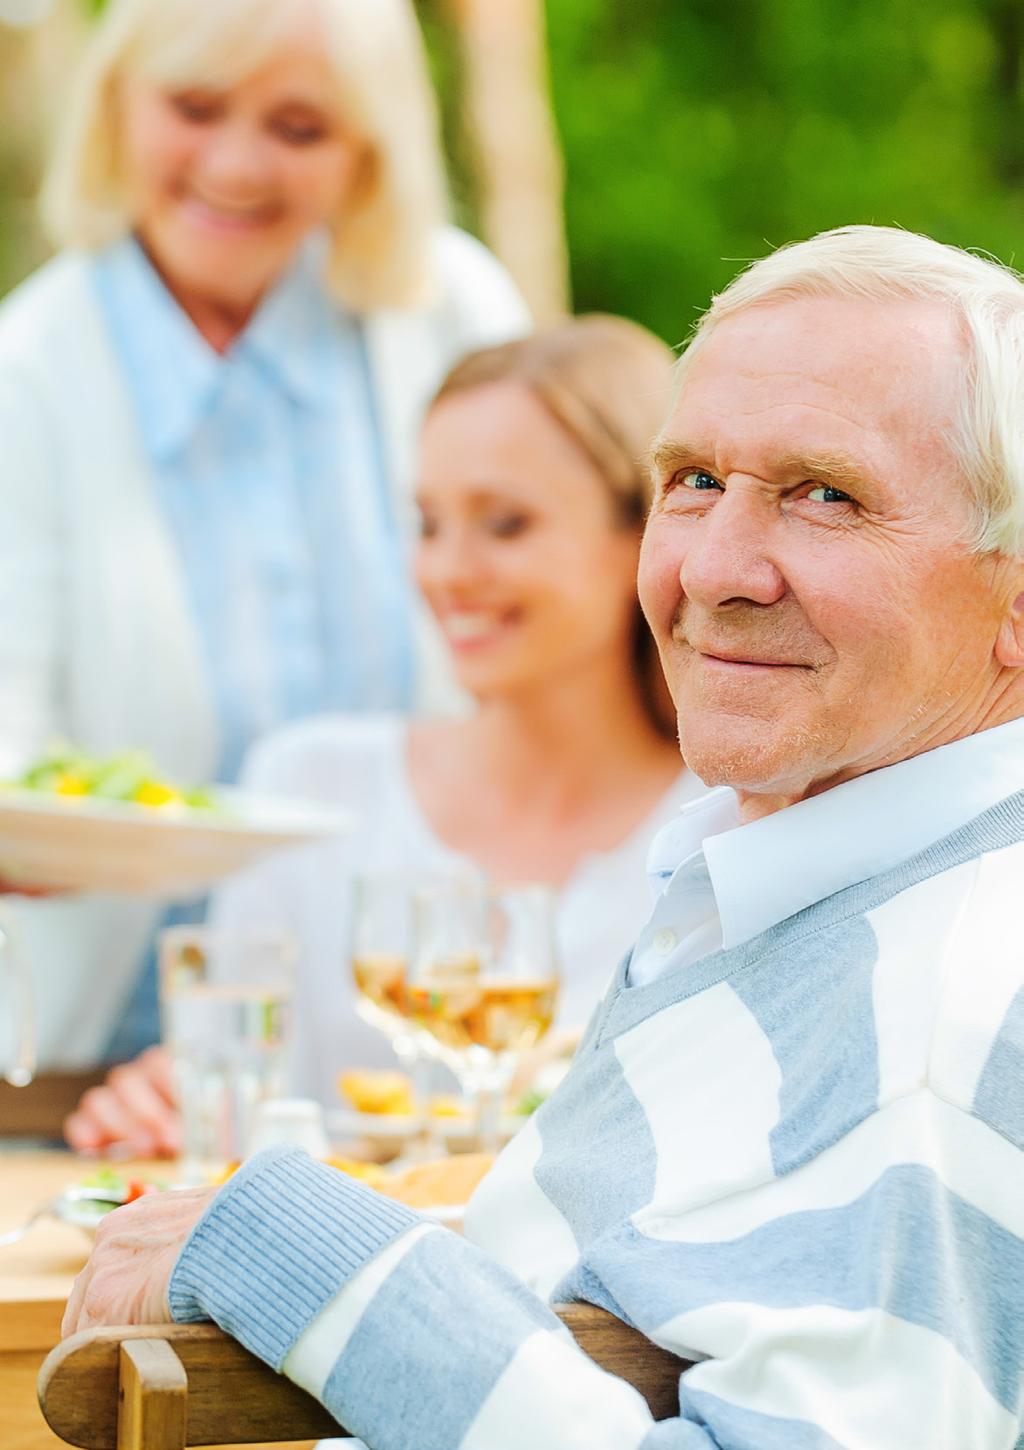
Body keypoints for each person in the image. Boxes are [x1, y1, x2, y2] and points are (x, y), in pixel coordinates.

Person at [65, 225, 1024, 1450]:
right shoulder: (816, 884)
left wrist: (304, 1249)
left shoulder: (944, 1006)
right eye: (693, 480)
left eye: (825, 495)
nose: (713, 565)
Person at [0, 0, 528, 1075]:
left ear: (368, 151)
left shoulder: (449, 309)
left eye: (299, 128)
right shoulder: (30, 373)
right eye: (193, 109)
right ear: (116, 112)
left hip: (422, 1045)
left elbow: (562, 637)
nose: (236, 166)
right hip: (107, 1064)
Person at [63, 316, 705, 1152]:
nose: (446, 571)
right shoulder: (309, 790)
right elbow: (229, 1125)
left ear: (648, 533)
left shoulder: (722, 828)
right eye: (428, 524)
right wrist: (162, 1114)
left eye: (505, 524)